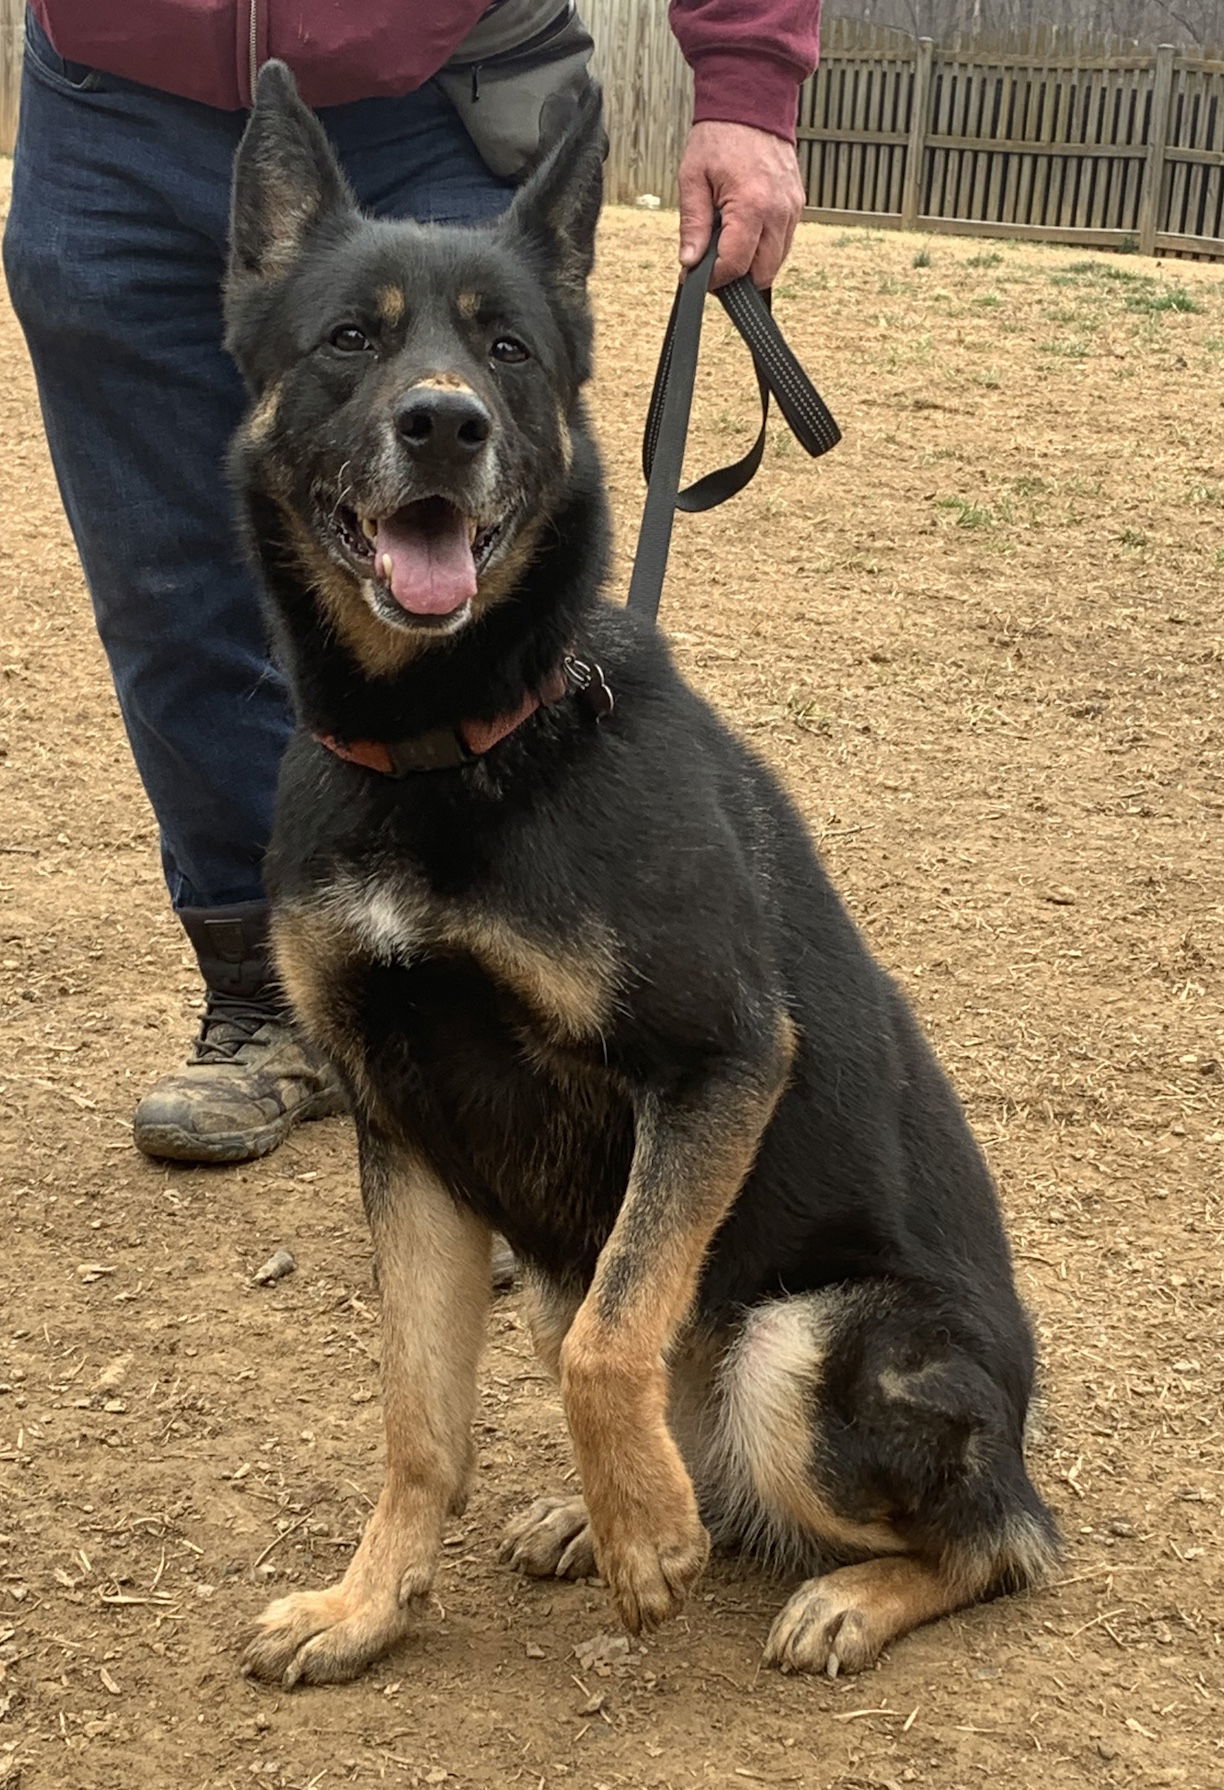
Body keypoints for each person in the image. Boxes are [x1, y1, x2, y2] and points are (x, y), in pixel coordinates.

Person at [3, 1, 819, 1165]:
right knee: (167, 594)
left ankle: (509, 1054)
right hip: (109, 96)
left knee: (485, 593)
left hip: (441, 82)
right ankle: (276, 1003)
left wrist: (746, 81)